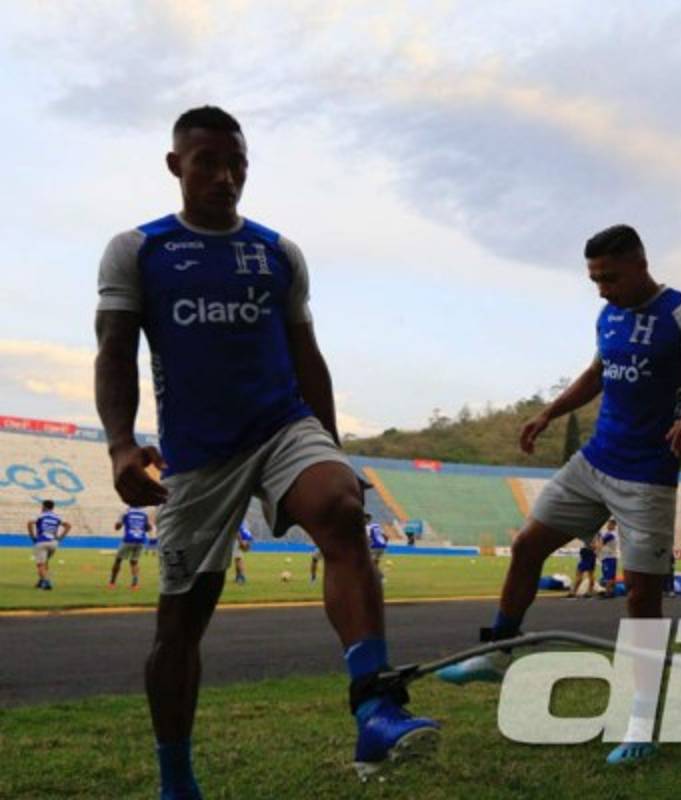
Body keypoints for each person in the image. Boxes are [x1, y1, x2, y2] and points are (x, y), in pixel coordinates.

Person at [93, 105, 436, 798]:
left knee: (341, 510)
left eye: (237, 166)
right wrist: (122, 444)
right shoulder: (138, 249)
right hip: (197, 458)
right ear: (175, 167)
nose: (225, 179)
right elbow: (115, 351)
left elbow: (308, 356)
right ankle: (176, 778)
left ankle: (373, 704)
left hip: (283, 427)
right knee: (181, 627)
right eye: (207, 165)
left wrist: (333, 451)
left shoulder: (278, 253)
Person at [437, 224, 681, 766]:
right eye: (594, 279)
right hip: (594, 461)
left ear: (639, 263)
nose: (601, 289)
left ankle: (643, 721)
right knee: (529, 544)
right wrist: (550, 413)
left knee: (641, 598)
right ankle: (499, 651)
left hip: (648, 477)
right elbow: (598, 372)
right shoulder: (609, 315)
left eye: (609, 277)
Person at [28, 499, 71, 590]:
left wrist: (32, 536)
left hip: (42, 541)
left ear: (44, 506)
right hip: (53, 543)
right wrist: (60, 537)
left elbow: (29, 523)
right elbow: (68, 525)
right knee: (45, 562)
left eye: (42, 506)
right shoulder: (57, 517)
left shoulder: (40, 515)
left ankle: (46, 582)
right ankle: (40, 581)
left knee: (40, 564)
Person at [111, 506, 154, 589]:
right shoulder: (144, 513)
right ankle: (135, 584)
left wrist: (118, 523)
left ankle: (112, 583)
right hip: (140, 540)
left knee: (118, 560)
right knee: (134, 561)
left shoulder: (125, 512)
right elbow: (149, 528)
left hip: (128, 540)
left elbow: (117, 527)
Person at [597, 519, 619, 598]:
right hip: (611, 557)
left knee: (608, 576)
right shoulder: (612, 534)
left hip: (608, 557)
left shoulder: (610, 534)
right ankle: (611, 592)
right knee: (611, 576)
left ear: (613, 525)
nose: (607, 526)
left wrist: (598, 536)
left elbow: (601, 544)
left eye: (609, 524)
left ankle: (607, 593)